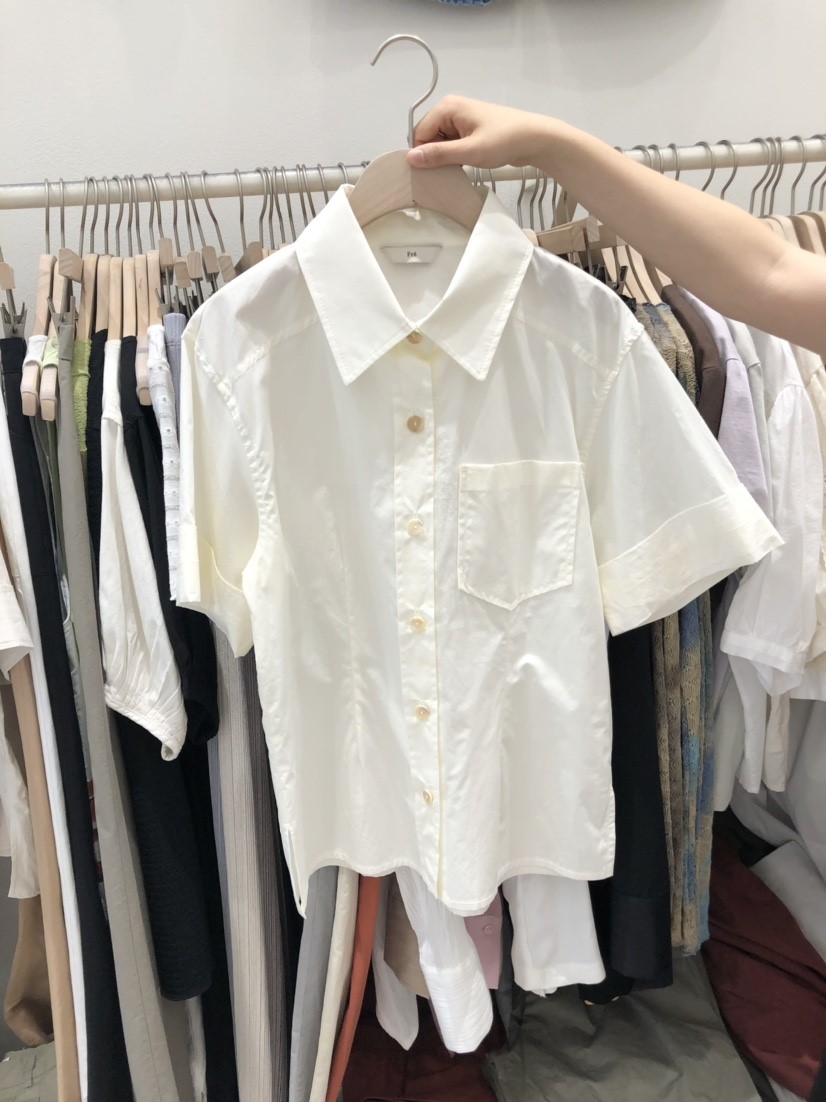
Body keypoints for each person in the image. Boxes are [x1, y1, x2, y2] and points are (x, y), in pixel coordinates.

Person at [408, 97, 826, 360]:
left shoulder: (594, 344)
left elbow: (769, 274)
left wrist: (547, 144)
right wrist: (546, 144)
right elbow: (768, 272)